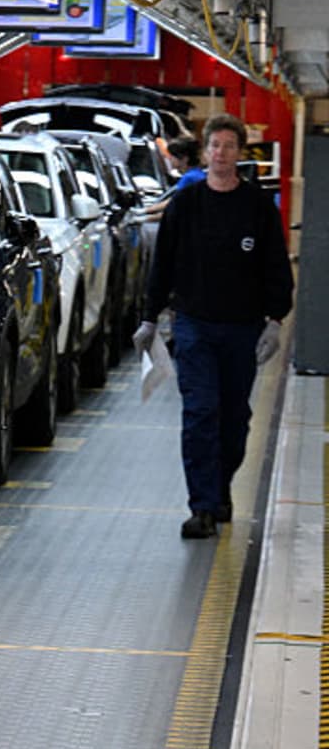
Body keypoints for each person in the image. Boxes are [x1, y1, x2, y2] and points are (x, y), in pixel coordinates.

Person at [135, 113, 292, 539]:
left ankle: (220, 487)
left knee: (234, 419)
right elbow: (162, 264)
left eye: (228, 146)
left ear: (240, 153)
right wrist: (150, 318)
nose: (220, 154)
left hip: (242, 328)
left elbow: (276, 265)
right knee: (200, 411)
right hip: (194, 325)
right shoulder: (186, 205)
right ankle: (202, 506)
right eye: (214, 146)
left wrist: (276, 320)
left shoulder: (257, 207)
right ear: (204, 152)